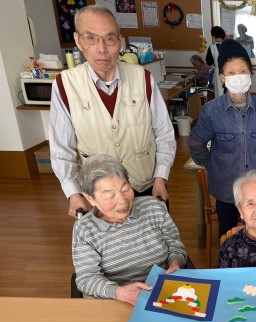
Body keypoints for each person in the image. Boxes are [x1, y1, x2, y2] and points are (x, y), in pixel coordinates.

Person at [49, 5, 176, 217]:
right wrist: (73, 194)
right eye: (91, 38)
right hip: (100, 195)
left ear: (119, 42)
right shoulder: (65, 85)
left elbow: (164, 133)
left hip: (146, 186)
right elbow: (61, 148)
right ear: (78, 40)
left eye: (109, 39)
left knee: (157, 236)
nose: (101, 48)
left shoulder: (142, 77)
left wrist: (161, 178)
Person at [188, 39, 256, 237]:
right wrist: (211, 164)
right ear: (222, 78)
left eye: (242, 71)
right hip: (225, 187)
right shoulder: (211, 111)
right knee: (228, 234)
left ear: (250, 75)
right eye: (231, 73)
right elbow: (196, 142)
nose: (237, 77)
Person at [72, 155, 187, 305]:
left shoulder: (154, 207)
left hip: (165, 291)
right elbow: (87, 279)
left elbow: (175, 246)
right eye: (110, 195)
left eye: (125, 189)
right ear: (90, 198)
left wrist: (176, 263)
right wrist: (118, 292)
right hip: (118, 300)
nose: (123, 200)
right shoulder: (85, 229)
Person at [206, 25, 226, 97]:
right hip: (230, 71)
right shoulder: (229, 45)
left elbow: (209, 62)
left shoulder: (212, 47)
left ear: (214, 36)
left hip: (218, 72)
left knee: (220, 93)